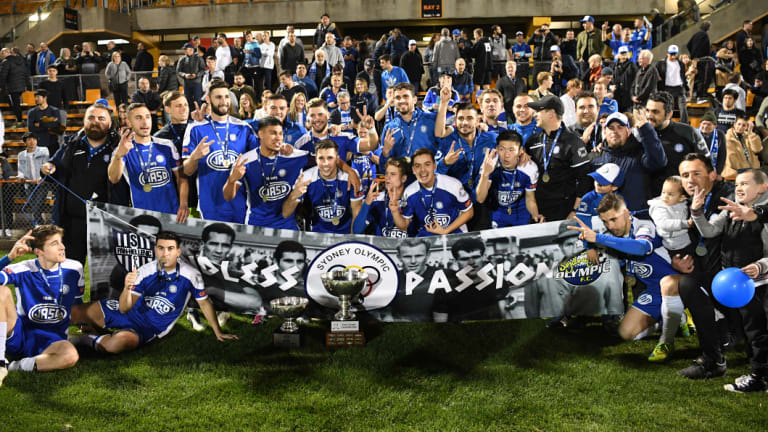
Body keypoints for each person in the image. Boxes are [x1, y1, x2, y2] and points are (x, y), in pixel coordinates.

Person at [70, 230, 236, 355]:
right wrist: (127, 287)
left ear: (178, 252)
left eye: (170, 249)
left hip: (148, 326)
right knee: (72, 313)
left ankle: (82, 339)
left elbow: (204, 303)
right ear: (156, 250)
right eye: (161, 248)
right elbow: (123, 308)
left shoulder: (191, 275)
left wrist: (218, 332)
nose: (165, 253)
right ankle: (78, 333)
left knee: (117, 344)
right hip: (128, 311)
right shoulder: (145, 271)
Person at [569, 193, 685, 362]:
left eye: (613, 219)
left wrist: (598, 238)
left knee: (669, 285)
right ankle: (673, 317)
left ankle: (666, 341)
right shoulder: (618, 236)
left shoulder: (644, 226)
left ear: (626, 212)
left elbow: (641, 247)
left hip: (677, 284)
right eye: (605, 221)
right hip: (654, 291)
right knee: (626, 333)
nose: (610, 225)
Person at [691, 169, 768, 392]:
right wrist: (697, 211)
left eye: (745, 183)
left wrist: (760, 267)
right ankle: (758, 373)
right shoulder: (732, 208)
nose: (739, 188)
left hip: (759, 283)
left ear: (762, 187)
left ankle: (758, 378)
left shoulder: (764, 216)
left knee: (758, 331)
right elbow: (709, 231)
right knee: (750, 330)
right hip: (737, 283)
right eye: (737, 185)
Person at [41, 103, 128, 265]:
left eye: (101, 118)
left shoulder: (121, 146)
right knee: (69, 272)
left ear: (110, 123)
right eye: (91, 118)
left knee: (106, 275)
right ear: (84, 121)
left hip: (106, 224)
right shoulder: (71, 144)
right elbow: (53, 167)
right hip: (71, 224)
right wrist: (47, 167)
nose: (95, 122)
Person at [675, 153, 735, 380]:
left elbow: (712, 232)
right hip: (709, 273)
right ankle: (713, 358)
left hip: (740, 276)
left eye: (696, 173)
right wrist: (675, 259)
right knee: (687, 284)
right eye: (685, 175)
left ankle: (728, 330)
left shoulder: (730, 196)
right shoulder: (681, 200)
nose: (690, 180)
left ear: (712, 175)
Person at [0, 226, 83, 382]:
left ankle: (13, 366)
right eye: (54, 244)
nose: (62, 247)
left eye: (61, 242)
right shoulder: (23, 269)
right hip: (20, 335)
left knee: (70, 355)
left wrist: (84, 325)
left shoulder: (75, 269)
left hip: (53, 340)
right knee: (1, 292)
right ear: (39, 251)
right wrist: (9, 257)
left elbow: (78, 302)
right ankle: (0, 360)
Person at [182, 79, 258, 223]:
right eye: (218, 97)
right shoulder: (195, 128)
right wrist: (194, 157)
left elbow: (258, 161)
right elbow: (186, 171)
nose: (224, 101)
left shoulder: (244, 128)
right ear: (208, 99)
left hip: (240, 203)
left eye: (226, 96)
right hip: (210, 205)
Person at [224, 116, 308, 230]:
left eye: (280, 134)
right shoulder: (245, 161)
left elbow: (323, 157)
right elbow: (228, 197)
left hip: (287, 225)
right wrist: (231, 180)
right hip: (257, 225)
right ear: (261, 134)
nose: (278, 138)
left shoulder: (296, 156)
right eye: (273, 133)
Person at [108, 103, 188, 222]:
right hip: (143, 218)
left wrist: (183, 204)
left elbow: (181, 178)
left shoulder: (166, 145)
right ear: (129, 123)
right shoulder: (123, 149)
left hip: (172, 215)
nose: (145, 122)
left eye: (147, 117)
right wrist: (119, 154)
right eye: (138, 118)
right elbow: (113, 178)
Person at [524, 95, 592, 221]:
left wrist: (574, 211)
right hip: (538, 211)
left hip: (564, 211)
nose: (535, 114)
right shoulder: (532, 142)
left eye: (538, 110)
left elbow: (585, 180)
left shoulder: (573, 142)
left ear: (551, 113)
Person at [589, 111, 667, 212]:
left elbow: (658, 162)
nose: (615, 131)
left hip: (636, 217)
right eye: (611, 128)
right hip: (603, 218)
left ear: (629, 131)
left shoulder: (640, 153)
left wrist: (646, 129)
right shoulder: (595, 156)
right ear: (605, 131)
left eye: (620, 127)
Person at [282, 140, 362, 233]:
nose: (325, 163)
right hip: (316, 234)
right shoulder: (306, 178)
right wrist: (293, 196)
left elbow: (356, 213)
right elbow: (286, 213)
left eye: (330, 158)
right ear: (316, 159)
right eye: (321, 158)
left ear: (337, 159)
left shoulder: (350, 177)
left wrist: (351, 239)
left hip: (345, 234)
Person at [394, 148, 474, 237]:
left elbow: (469, 212)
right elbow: (404, 226)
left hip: (454, 236)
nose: (422, 170)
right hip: (427, 239)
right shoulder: (409, 192)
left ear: (434, 166)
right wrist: (394, 212)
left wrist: (446, 231)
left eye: (427, 164)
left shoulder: (453, 185)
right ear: (413, 170)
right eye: (417, 166)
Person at [645, 91, 709, 195]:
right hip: (650, 198)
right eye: (647, 110)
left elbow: (706, 165)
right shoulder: (641, 135)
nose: (649, 115)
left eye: (655, 112)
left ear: (669, 114)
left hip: (682, 198)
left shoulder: (688, 133)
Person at [476, 130, 543, 227]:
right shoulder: (489, 164)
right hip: (498, 212)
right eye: (502, 149)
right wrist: (485, 174)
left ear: (520, 151)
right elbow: (480, 198)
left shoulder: (529, 168)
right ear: (497, 149)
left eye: (511, 150)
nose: (506, 155)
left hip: (521, 212)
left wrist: (535, 215)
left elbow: (530, 198)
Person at [434, 100, 498, 189]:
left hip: (486, 192)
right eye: (461, 118)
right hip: (456, 194)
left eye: (469, 118)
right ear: (455, 121)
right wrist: (445, 163)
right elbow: (433, 176)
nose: (465, 123)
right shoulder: (446, 142)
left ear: (477, 121)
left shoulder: (492, 139)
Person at [379, 83, 442, 170]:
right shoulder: (389, 128)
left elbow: (443, 150)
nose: (401, 101)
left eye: (405, 96)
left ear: (415, 99)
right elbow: (384, 169)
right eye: (398, 98)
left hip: (427, 175)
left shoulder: (432, 120)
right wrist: (385, 153)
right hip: (403, 177)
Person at [353, 157, 409, 237]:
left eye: (393, 174)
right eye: (386, 173)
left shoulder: (413, 199)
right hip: (382, 245)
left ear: (403, 178)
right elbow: (357, 230)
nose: (387, 177)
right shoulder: (377, 199)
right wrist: (366, 204)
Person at [649, 176, 694, 257]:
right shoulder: (659, 208)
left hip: (686, 241)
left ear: (681, 198)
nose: (665, 196)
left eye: (670, 194)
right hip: (672, 246)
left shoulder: (682, 204)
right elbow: (663, 223)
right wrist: (685, 224)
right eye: (663, 192)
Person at [16, 132, 50, 226]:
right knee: (33, 205)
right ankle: (39, 225)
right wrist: (21, 177)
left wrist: (43, 176)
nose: (32, 142)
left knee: (37, 204)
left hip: (41, 184)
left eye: (34, 139)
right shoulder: (21, 155)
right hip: (29, 184)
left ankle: (38, 225)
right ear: (25, 142)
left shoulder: (43, 150)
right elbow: (20, 169)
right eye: (29, 140)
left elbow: (46, 164)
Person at [656, 45, 689, 124]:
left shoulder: (680, 64)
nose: (673, 56)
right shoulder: (661, 63)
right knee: (669, 106)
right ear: (667, 53)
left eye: (675, 54)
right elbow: (655, 71)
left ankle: (684, 123)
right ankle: (668, 122)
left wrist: (687, 88)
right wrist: (658, 78)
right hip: (667, 88)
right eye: (671, 54)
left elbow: (683, 77)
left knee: (683, 106)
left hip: (679, 87)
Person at [0, 47, 30, 128]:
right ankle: (20, 120)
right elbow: (26, 74)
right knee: (18, 104)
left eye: (2, 53)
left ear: (7, 53)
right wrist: (28, 86)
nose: (1, 55)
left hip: (12, 87)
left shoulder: (6, 62)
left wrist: (1, 86)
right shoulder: (21, 61)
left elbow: (3, 76)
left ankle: (19, 121)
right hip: (22, 86)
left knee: (15, 104)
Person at [26, 89, 63, 155]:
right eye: (35, 97)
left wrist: (40, 123)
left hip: (52, 144)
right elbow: (31, 128)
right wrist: (50, 122)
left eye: (38, 97)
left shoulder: (54, 110)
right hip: (38, 145)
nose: (36, 99)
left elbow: (59, 128)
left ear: (45, 98)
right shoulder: (32, 112)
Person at [176, 42, 206, 111]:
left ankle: (199, 115)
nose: (185, 51)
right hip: (187, 83)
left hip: (197, 83)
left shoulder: (199, 58)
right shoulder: (182, 59)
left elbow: (203, 70)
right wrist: (184, 75)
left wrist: (196, 75)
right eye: (184, 50)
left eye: (186, 49)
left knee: (197, 100)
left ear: (191, 50)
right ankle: (189, 116)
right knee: (188, 101)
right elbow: (178, 71)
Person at [697, 111, 727, 175]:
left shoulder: (720, 134)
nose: (705, 126)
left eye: (709, 124)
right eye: (704, 123)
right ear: (700, 124)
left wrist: (718, 173)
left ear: (715, 126)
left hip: (713, 170)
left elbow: (722, 155)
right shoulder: (694, 133)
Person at [610, 45, 638, 112]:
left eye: (625, 53)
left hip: (628, 96)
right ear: (618, 54)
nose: (623, 55)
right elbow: (609, 78)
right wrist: (610, 86)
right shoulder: (613, 66)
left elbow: (636, 79)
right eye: (622, 53)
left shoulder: (632, 66)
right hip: (616, 95)